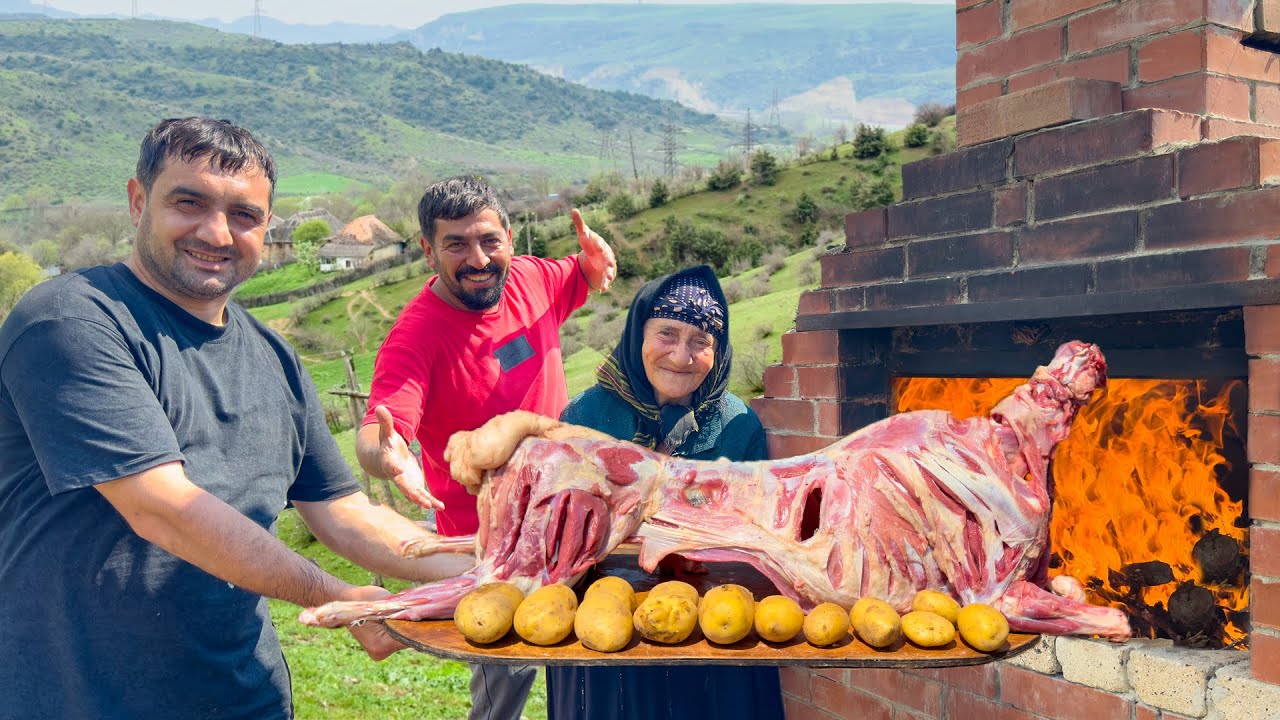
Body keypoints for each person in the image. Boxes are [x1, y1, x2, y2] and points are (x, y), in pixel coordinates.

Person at [0, 117, 474, 720]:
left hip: (244, 697)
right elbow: (162, 508)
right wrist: (336, 596)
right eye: (189, 203)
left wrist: (489, 567)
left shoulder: (273, 356)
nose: (217, 232)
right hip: (84, 697)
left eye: (245, 215)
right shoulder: (73, 321)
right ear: (137, 200)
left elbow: (343, 512)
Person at [355, 175, 616, 720]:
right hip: (490, 544)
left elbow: (581, 275)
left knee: (593, 667)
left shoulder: (532, 279)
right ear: (428, 250)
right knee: (503, 689)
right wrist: (388, 454)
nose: (477, 259)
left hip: (571, 517)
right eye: (456, 245)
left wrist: (596, 266)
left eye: (487, 240)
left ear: (510, 239)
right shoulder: (416, 337)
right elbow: (381, 431)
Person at [546, 264, 784, 720]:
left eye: (701, 341)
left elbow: (758, 531)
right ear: (639, 334)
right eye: (667, 334)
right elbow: (557, 529)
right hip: (605, 624)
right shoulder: (586, 416)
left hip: (713, 623)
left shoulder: (737, 426)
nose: (681, 355)